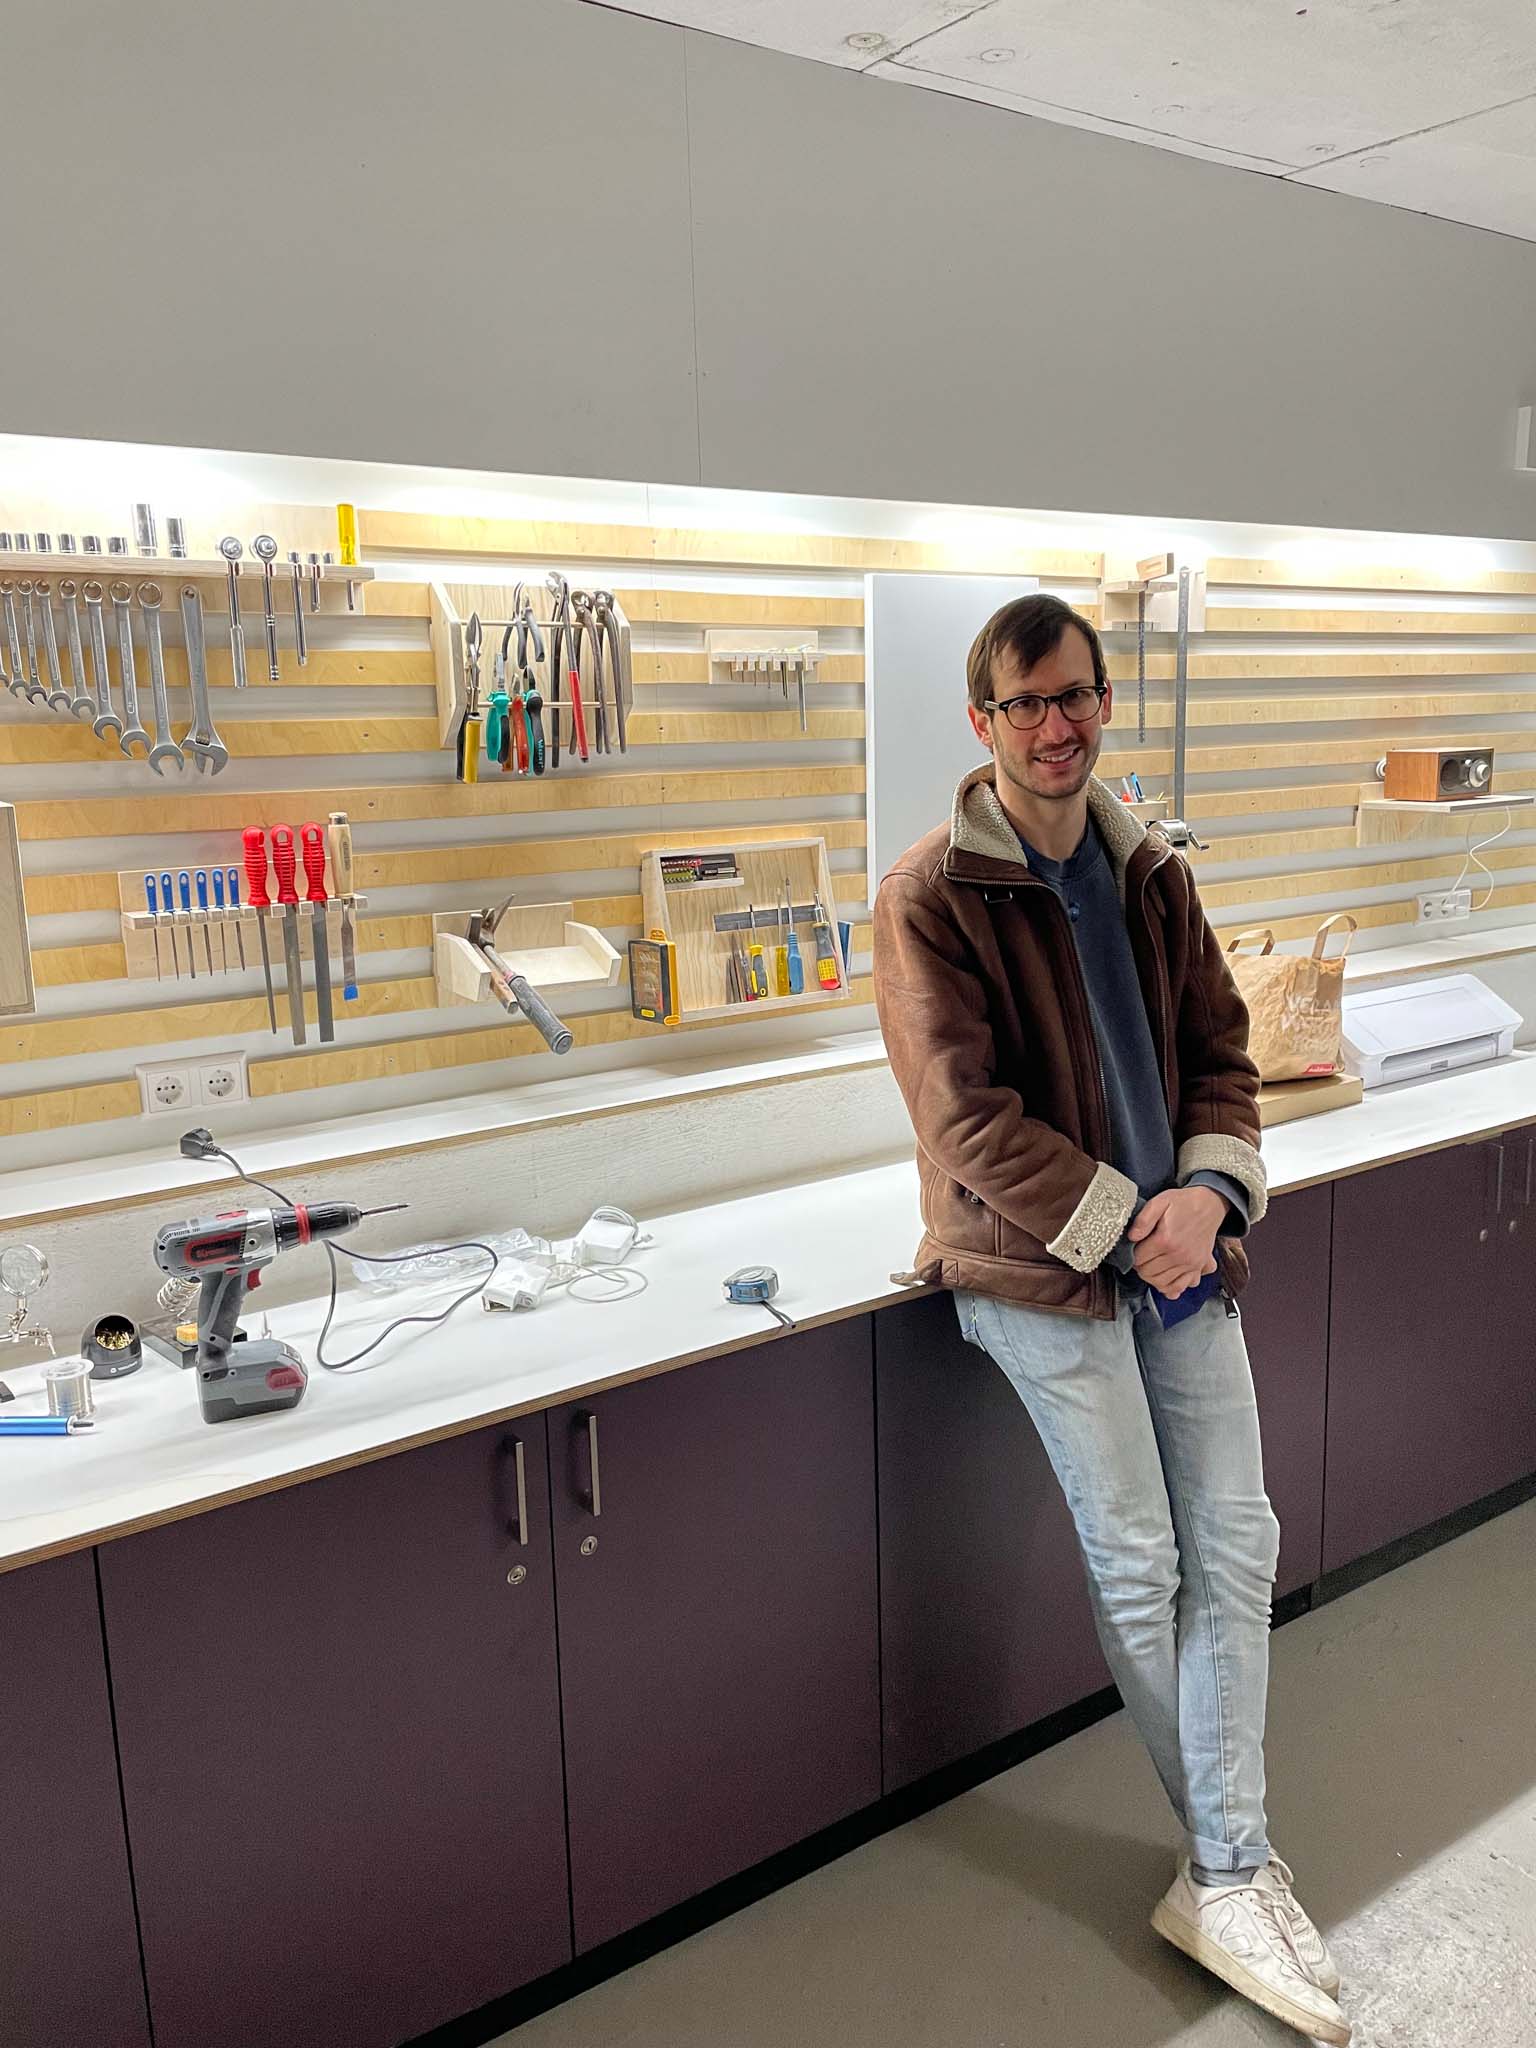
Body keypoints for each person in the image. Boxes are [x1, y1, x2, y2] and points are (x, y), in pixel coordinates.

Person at [872, 593, 1350, 2047]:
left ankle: (1226, 1866)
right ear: (983, 722)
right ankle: (1233, 1865)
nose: (1057, 726)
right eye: (1025, 705)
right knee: (1142, 1559)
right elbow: (966, 1124)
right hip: (1045, 1269)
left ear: (1101, 699)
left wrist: (1206, 1197)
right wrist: (1123, 1228)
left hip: (1180, 1252)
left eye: (1077, 696)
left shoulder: (1152, 875)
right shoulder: (930, 894)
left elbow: (1223, 1049)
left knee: (1240, 1536)